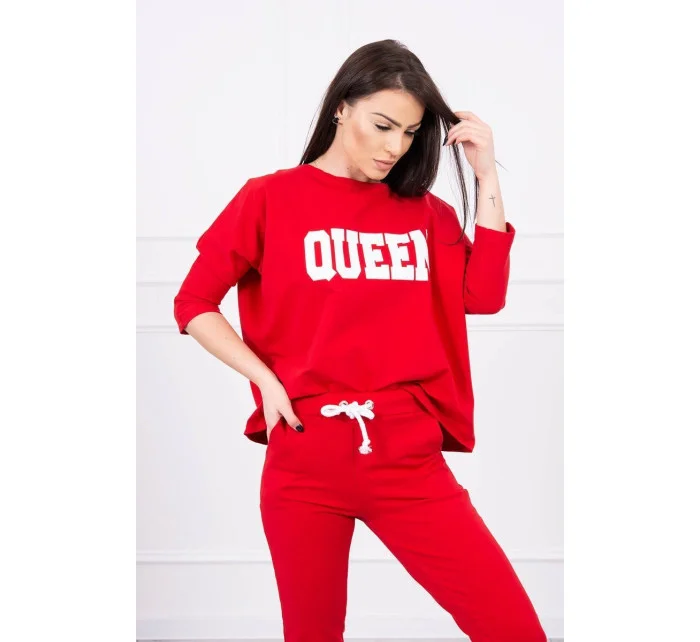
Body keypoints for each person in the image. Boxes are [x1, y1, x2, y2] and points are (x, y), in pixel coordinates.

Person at [173, 39, 547, 642]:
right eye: (383, 125)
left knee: (512, 629)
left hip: (406, 456)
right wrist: (265, 380)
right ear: (342, 107)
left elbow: (484, 295)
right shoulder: (268, 198)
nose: (395, 147)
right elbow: (193, 303)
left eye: (410, 132)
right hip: (305, 456)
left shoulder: (425, 214)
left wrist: (485, 175)